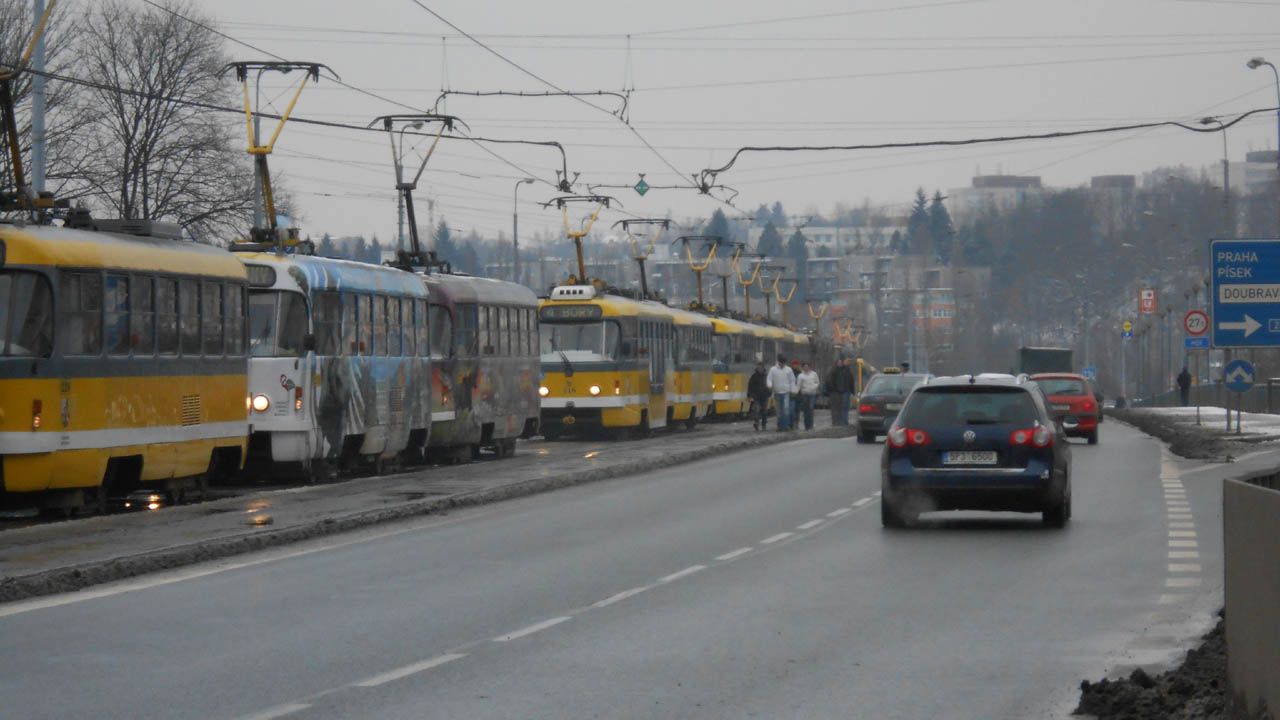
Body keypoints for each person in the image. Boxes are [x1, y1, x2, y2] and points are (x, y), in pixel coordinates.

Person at [767, 354, 797, 431]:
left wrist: (793, 390)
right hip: (777, 392)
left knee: (786, 409)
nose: (782, 364)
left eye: (783, 362)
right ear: (778, 361)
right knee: (779, 410)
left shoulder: (788, 370)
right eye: (781, 362)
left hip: (786, 392)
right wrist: (769, 385)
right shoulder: (773, 370)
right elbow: (769, 379)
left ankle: (786, 426)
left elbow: (792, 381)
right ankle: (780, 426)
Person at [828, 357, 854, 426]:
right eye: (847, 361)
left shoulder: (849, 370)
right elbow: (836, 381)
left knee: (846, 407)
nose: (849, 363)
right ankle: (842, 422)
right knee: (842, 407)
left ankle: (844, 421)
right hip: (842, 391)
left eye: (850, 361)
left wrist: (852, 391)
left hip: (846, 390)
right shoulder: (839, 370)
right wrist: (838, 389)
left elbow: (851, 381)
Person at [747, 361, 771, 431]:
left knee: (764, 411)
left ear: (763, 368)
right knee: (756, 410)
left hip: (764, 396)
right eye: (758, 367)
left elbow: (769, 385)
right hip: (756, 396)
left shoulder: (766, 376)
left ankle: (764, 424)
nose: (759, 369)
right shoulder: (754, 377)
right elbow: (750, 386)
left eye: (761, 367)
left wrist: (769, 393)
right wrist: (749, 395)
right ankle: (756, 422)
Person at [797, 362, 821, 430]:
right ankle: (806, 426)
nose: (806, 368)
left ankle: (811, 425)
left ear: (809, 367)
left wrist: (814, 387)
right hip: (804, 394)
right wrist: (798, 390)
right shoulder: (800, 376)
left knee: (811, 409)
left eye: (807, 366)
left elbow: (817, 382)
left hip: (812, 394)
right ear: (803, 367)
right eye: (804, 367)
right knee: (805, 411)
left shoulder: (814, 374)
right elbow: (798, 385)